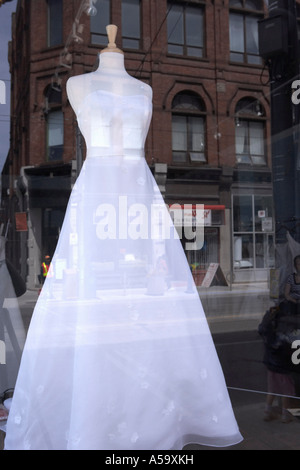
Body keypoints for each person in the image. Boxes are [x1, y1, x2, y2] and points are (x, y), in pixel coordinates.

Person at [5, 26, 242, 450]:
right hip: (96, 189)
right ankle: (92, 418)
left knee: (152, 302)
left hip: (137, 187)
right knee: (89, 302)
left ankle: (156, 419)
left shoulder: (146, 89)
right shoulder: (78, 84)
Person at [258, 306, 295, 423]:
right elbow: (289, 345)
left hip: (271, 365)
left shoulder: (268, 331)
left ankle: (267, 412)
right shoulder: (283, 333)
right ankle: (285, 415)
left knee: (272, 390)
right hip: (282, 367)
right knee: (286, 391)